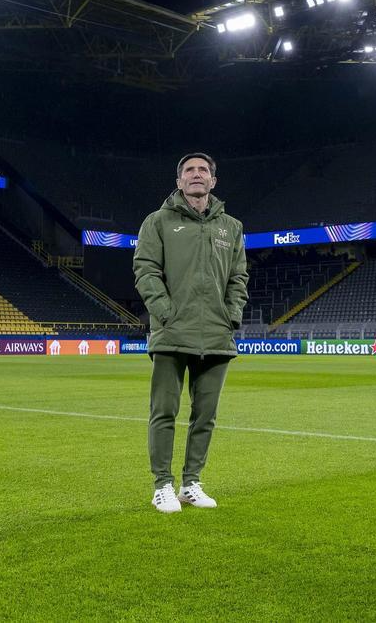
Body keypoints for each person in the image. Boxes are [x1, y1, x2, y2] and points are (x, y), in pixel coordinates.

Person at [132, 153, 249, 514]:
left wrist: (231, 317)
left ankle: (191, 483)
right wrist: (166, 313)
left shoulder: (232, 227)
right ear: (179, 181)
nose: (196, 175)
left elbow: (238, 278)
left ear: (213, 181)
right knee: (164, 411)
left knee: (205, 416)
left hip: (216, 335)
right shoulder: (157, 222)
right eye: (189, 170)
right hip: (171, 332)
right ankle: (162, 485)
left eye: (203, 170)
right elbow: (145, 270)